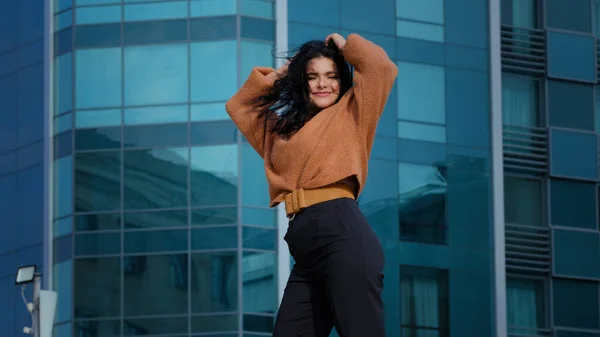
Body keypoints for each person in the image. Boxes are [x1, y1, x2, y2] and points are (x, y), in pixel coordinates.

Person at [225, 33, 398, 337]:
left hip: (341, 232)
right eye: (312, 76)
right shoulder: (280, 131)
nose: (322, 84)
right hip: (306, 247)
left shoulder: (354, 112)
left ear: (342, 80)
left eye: (331, 76)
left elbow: (380, 67)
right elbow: (240, 106)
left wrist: (346, 47)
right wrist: (286, 71)